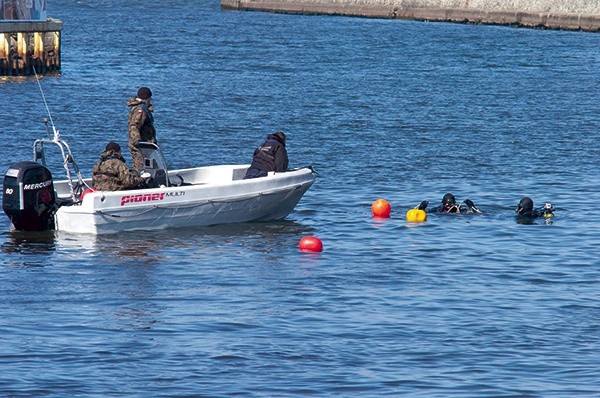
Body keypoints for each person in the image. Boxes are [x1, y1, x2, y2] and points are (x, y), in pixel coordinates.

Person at [127, 86, 156, 172]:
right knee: (140, 166)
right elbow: (134, 126)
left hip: (146, 144)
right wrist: (137, 141)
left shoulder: (143, 108)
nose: (150, 100)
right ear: (146, 99)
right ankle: (139, 182)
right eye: (149, 98)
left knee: (149, 165)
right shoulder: (140, 110)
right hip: (141, 144)